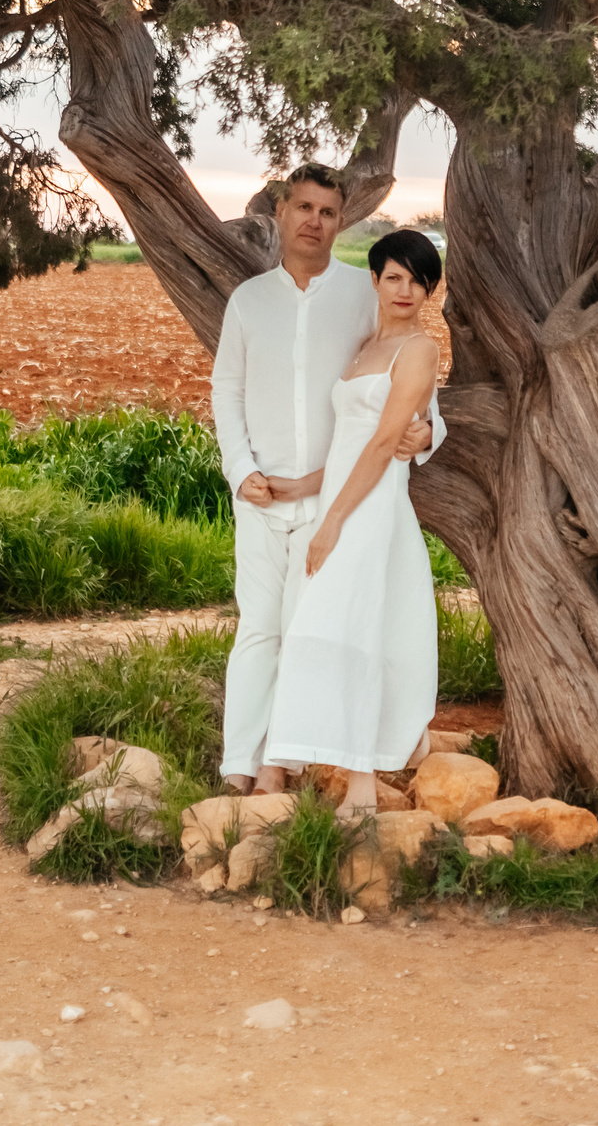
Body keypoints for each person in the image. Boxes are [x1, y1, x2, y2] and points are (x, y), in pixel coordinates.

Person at [211, 167, 437, 794]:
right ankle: (240, 767)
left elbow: (410, 385)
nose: (314, 221)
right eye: (304, 207)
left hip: (333, 497)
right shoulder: (249, 301)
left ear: (341, 222)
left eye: (328, 212)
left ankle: (286, 764)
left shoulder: (369, 293)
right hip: (261, 496)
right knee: (259, 628)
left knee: (307, 629)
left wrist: (426, 434)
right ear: (281, 212)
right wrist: (242, 470)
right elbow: (226, 390)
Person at [257, 229, 445, 819]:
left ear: (430, 291)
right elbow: (350, 441)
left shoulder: (420, 350)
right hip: (340, 499)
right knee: (317, 625)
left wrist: (334, 521)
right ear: (375, 280)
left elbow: (387, 441)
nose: (405, 290)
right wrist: (303, 487)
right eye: (395, 277)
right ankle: (283, 759)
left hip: (371, 509)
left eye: (418, 282)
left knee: (350, 630)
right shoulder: (364, 347)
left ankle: (360, 782)